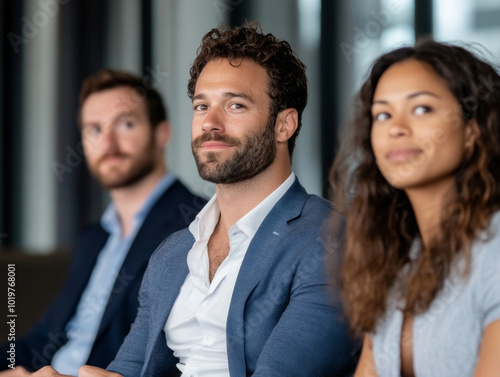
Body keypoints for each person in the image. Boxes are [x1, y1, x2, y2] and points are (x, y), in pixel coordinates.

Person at [32, 23, 358, 377]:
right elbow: (125, 370)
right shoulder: (173, 252)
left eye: (235, 105)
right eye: (201, 106)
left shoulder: (330, 238)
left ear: (284, 125)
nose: (210, 123)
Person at [0, 69, 206, 376]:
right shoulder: (93, 238)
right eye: (94, 129)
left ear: (161, 132)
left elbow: (177, 355)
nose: (108, 141)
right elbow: (41, 338)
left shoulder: (197, 222)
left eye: (125, 124)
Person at [330, 39, 500, 377]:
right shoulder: (397, 262)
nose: (397, 129)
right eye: (382, 114)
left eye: (422, 109)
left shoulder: (494, 247)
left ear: (472, 130)